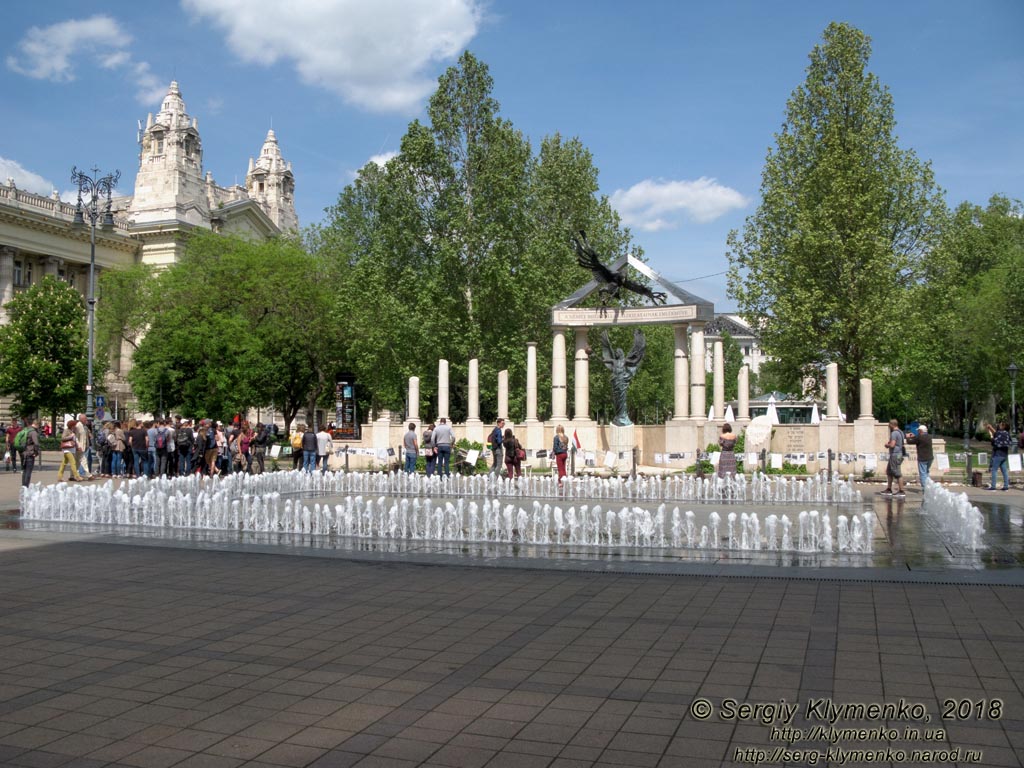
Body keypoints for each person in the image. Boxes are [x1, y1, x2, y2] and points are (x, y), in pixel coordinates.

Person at [882, 418, 905, 497]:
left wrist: (887, 445)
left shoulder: (894, 433)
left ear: (892, 425)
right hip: (899, 454)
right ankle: (889, 489)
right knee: (889, 472)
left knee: (897, 473)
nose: (889, 426)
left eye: (889, 425)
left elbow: (892, 445)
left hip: (895, 454)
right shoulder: (901, 432)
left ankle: (901, 490)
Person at [986, 421, 1012, 491]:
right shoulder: (1007, 433)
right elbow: (997, 433)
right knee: (1004, 471)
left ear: (1003, 426)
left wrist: (990, 434)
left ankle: (993, 486)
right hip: (1004, 454)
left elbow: (993, 441)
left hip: (998, 454)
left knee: (994, 470)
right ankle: (1006, 486)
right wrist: (990, 428)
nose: (998, 425)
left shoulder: (999, 433)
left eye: (1000, 425)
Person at [20, 418, 40, 488]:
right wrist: (36, 452)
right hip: (30, 453)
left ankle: (23, 486)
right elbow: (36, 443)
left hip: (23, 452)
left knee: (24, 470)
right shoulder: (33, 432)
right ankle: (26, 486)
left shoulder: (26, 429)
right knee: (28, 471)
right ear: (37, 424)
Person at [76, 413, 95, 480]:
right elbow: (76, 437)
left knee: (79, 462)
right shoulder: (78, 426)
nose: (86, 420)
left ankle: (75, 475)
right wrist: (78, 446)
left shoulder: (85, 426)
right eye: (85, 419)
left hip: (85, 446)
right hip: (80, 447)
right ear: (81, 419)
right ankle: (88, 475)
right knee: (83, 461)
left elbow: (86, 436)